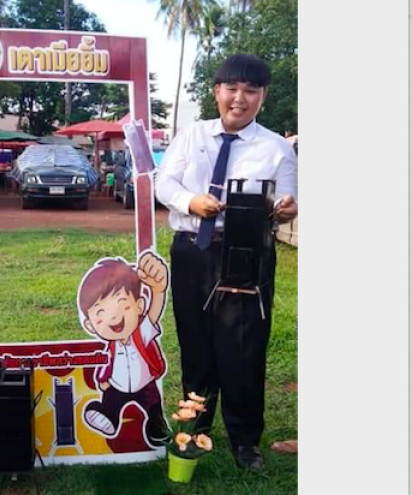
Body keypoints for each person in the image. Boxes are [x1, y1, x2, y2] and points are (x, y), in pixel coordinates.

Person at [155, 54, 298, 471]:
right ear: (217, 91)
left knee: (244, 346)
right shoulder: (192, 135)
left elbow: (288, 198)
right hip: (192, 250)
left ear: (263, 96)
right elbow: (165, 182)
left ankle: (245, 439)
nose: (240, 98)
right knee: (195, 340)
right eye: (231, 88)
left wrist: (287, 208)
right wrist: (191, 201)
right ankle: (194, 427)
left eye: (250, 90)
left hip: (247, 254)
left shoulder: (276, 148)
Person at [78, 253, 170, 448]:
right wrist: (103, 379)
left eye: (123, 305)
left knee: (153, 407)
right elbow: (107, 362)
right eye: (101, 312)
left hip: (145, 384)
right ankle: (108, 417)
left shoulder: (142, 333)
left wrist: (158, 290)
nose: (114, 317)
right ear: (90, 325)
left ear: (139, 306)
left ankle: (157, 429)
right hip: (117, 384)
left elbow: (154, 313)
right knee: (110, 400)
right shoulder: (110, 346)